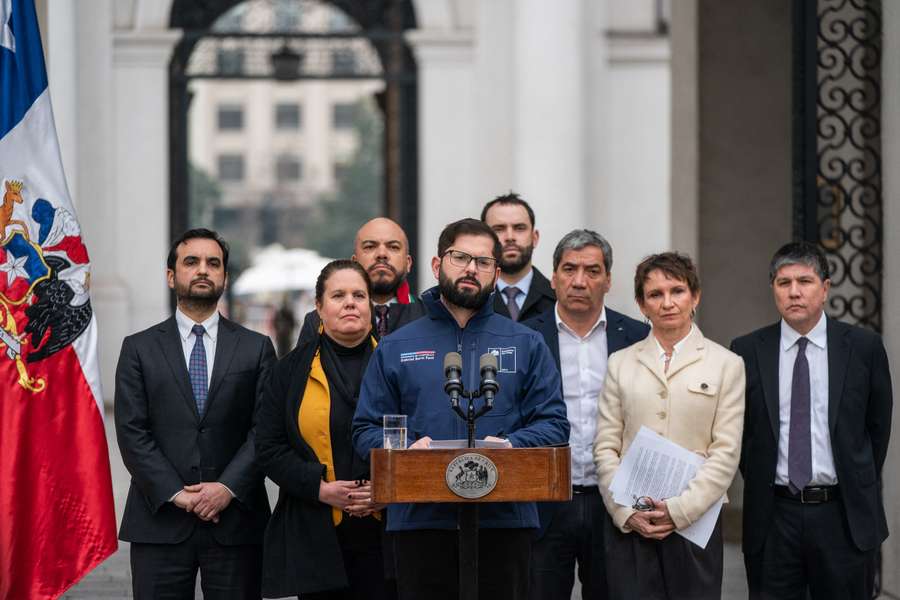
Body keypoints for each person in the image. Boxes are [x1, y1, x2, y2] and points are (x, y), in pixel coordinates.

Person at [352, 218, 569, 600]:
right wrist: (405, 451)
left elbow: (554, 424)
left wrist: (507, 447)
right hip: (420, 522)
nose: (472, 268)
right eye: (461, 257)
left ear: (496, 273)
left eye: (484, 262)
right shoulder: (396, 346)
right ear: (437, 266)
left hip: (505, 523)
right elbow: (365, 429)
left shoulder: (527, 343)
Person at [115, 228, 276, 599]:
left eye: (213, 263)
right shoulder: (138, 349)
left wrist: (226, 488)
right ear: (172, 276)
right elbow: (132, 432)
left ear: (224, 277)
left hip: (236, 521)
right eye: (191, 262)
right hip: (159, 520)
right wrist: (178, 494)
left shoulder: (256, 348)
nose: (203, 270)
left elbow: (264, 430)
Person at [730, 241, 892, 600]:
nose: (794, 292)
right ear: (773, 289)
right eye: (783, 283)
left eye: (804, 281)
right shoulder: (747, 351)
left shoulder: (863, 348)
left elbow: (877, 429)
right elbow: (741, 434)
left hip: (843, 515)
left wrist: (852, 475)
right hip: (774, 516)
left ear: (825, 288)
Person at [593, 251, 745, 600]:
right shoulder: (621, 363)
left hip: (695, 522)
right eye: (655, 295)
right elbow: (605, 446)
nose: (667, 303)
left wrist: (680, 511)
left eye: (677, 291)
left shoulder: (727, 364)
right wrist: (624, 512)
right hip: (633, 522)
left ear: (695, 297)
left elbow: (726, 451)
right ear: (641, 305)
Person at [256, 259, 393, 599]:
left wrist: (389, 489)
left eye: (359, 295)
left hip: (390, 532)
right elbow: (269, 448)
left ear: (371, 306)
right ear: (318, 306)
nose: (350, 302)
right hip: (315, 530)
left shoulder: (398, 363)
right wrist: (320, 488)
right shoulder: (288, 371)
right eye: (338, 295)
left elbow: (420, 436)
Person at [524, 229, 648, 600]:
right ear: (554, 276)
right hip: (545, 502)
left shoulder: (638, 338)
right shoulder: (525, 337)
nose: (580, 281)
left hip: (613, 503)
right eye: (569, 269)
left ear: (608, 280)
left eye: (592, 271)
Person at [298, 218, 425, 342]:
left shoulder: (428, 315)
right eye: (370, 247)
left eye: (393, 247)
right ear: (354, 262)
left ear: (408, 263)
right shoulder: (318, 321)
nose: (381, 254)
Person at [481, 192, 555, 322]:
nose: (510, 237)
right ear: (483, 239)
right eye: (499, 229)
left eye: (519, 228)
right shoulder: (468, 300)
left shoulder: (559, 299)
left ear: (534, 237)